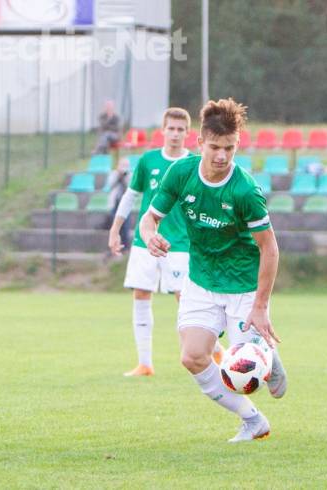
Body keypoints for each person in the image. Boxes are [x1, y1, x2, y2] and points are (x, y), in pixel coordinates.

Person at [139, 98, 288, 443]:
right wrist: (149, 236)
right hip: (201, 281)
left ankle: (266, 354)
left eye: (230, 148)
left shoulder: (245, 190)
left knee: (244, 368)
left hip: (242, 286)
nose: (222, 156)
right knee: (192, 357)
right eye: (215, 147)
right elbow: (150, 219)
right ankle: (252, 420)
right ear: (200, 142)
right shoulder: (182, 173)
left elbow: (269, 248)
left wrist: (260, 306)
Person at [108, 107, 222, 377]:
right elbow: (130, 196)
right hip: (145, 241)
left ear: (188, 133)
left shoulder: (194, 163)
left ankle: (215, 350)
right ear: (163, 130)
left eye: (180, 129)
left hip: (180, 243)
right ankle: (145, 363)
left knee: (186, 300)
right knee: (140, 294)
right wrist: (115, 229)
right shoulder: (148, 160)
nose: (175, 134)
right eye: (171, 128)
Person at [106, 157, 131, 253]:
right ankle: (115, 247)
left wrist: (124, 177)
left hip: (125, 205)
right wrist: (119, 176)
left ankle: (126, 247)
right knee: (115, 226)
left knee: (126, 226)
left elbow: (130, 188)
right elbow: (110, 185)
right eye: (122, 165)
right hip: (115, 203)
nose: (124, 167)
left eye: (126, 165)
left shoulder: (130, 175)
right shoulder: (113, 174)